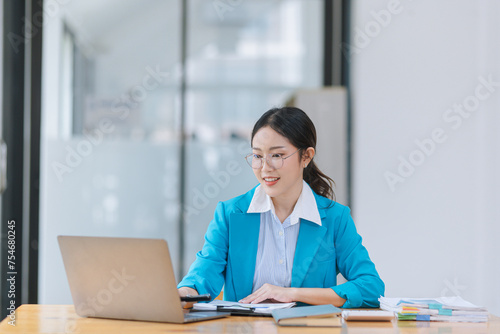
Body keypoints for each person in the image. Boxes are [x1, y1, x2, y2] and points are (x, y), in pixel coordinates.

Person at [177, 107, 384, 308]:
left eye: (276, 155)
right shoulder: (230, 215)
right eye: (258, 156)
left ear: (306, 156)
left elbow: (371, 288)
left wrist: (291, 294)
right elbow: (201, 277)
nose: (265, 167)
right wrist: (181, 295)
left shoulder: (335, 219)